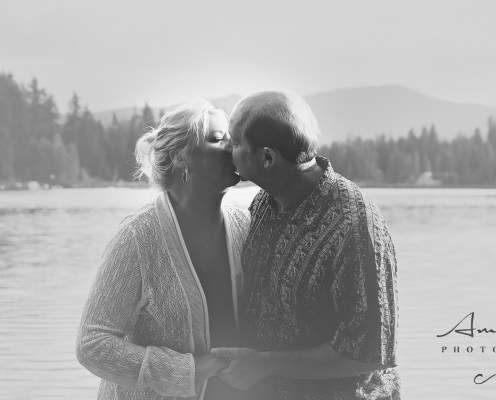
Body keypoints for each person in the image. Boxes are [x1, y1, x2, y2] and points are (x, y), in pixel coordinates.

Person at [214, 90, 400, 399]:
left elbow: (370, 354)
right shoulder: (265, 200)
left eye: (234, 143)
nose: (225, 150)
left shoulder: (354, 227)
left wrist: (264, 365)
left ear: (267, 157)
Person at [76, 99, 250, 400]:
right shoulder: (138, 238)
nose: (231, 148)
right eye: (217, 139)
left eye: (231, 140)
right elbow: (92, 344)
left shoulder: (246, 225)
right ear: (181, 157)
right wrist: (187, 369)